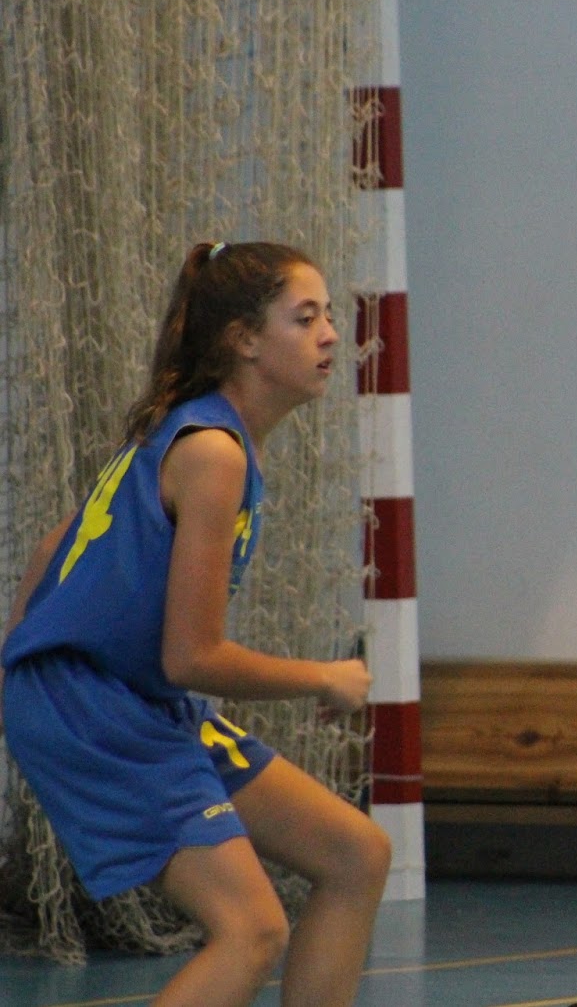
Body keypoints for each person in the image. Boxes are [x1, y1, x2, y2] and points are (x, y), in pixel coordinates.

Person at [0, 241, 390, 1007]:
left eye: (328, 317)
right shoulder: (213, 453)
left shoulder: (192, 431)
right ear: (244, 340)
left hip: (120, 699)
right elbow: (192, 656)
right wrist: (323, 677)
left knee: (356, 854)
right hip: (95, 707)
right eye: (305, 318)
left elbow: (54, 547)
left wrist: (20, 664)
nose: (329, 336)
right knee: (252, 931)